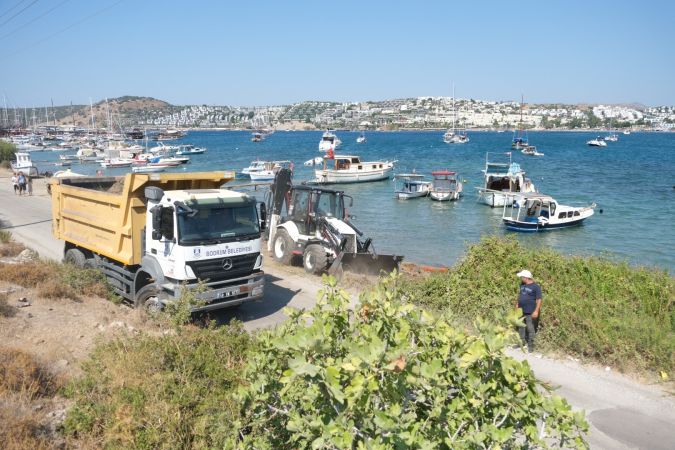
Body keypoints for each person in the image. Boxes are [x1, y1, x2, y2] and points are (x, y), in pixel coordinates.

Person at [515, 269, 542, 353]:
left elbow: (539, 300)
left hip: (530, 311)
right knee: (521, 327)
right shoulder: (522, 285)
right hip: (521, 311)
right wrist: (516, 306)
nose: (521, 279)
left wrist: (536, 311)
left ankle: (531, 346)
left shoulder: (536, 287)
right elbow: (520, 296)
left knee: (530, 328)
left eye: (522, 277)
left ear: (526, 278)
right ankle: (521, 343)